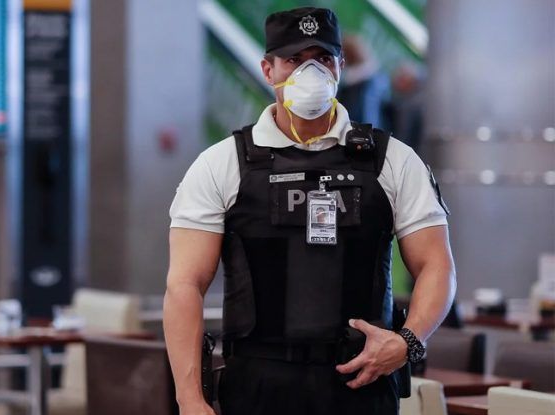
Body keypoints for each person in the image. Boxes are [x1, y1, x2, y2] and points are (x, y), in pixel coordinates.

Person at [164, 7, 456, 415]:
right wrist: (190, 399)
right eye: (294, 60)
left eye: (322, 58)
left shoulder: (392, 160)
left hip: (362, 385)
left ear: (340, 66)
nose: (310, 72)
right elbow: (184, 285)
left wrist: (407, 342)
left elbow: (437, 265)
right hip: (257, 387)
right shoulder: (222, 163)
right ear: (268, 70)